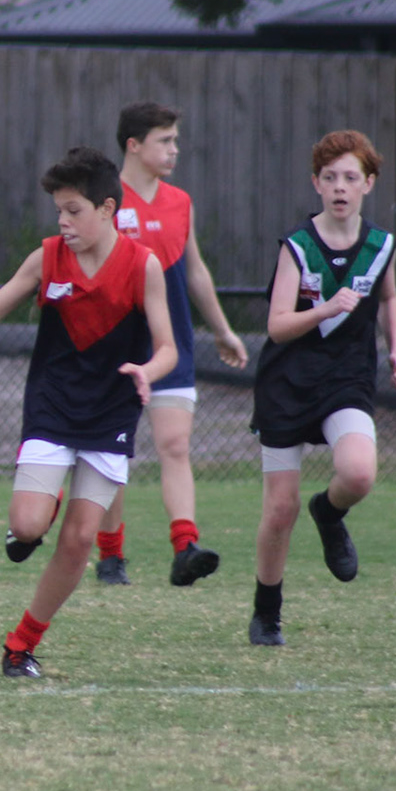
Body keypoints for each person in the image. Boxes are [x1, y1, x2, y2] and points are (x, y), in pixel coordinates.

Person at [0, 147, 175, 678]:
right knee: (26, 527)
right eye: (58, 211)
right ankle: (40, 511)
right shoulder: (46, 258)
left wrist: (148, 371)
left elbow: (168, 348)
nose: (63, 222)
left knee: (79, 540)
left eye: (73, 210)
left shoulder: (143, 266)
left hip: (111, 413)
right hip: (52, 405)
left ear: (107, 209)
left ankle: (20, 645)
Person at [249, 130, 396, 647]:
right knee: (280, 510)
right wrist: (324, 309)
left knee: (359, 473)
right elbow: (277, 326)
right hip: (287, 384)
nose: (340, 186)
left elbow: (388, 298)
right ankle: (267, 613)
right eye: (330, 177)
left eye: (350, 177)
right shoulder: (298, 247)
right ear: (316, 184)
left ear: (369, 183)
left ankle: (330, 511)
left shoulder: (381, 246)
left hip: (346, 379)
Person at [90, 102, 249, 589]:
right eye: (165, 140)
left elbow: (195, 271)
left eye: (175, 140)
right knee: (112, 453)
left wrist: (222, 330)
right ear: (134, 145)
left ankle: (185, 548)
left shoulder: (180, 202)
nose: (175, 149)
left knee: (175, 445)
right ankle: (110, 555)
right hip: (116, 349)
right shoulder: (104, 200)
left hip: (171, 346)